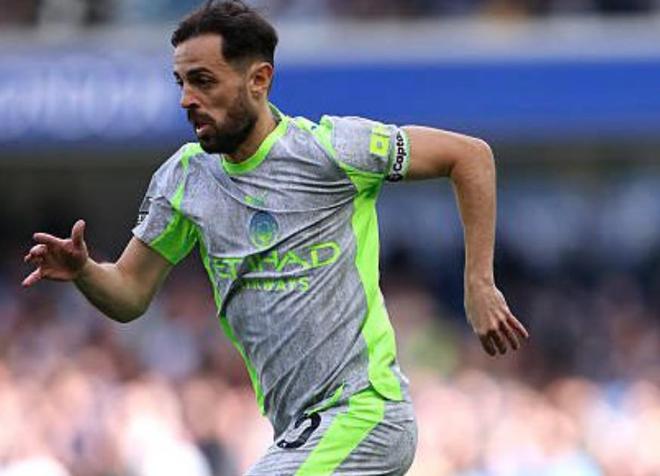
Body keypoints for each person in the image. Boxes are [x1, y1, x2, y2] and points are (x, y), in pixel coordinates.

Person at [22, 1, 529, 474]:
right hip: (296, 430)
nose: (187, 99)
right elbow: (130, 293)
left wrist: (479, 282)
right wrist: (85, 271)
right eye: (181, 82)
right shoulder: (184, 180)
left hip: (364, 412)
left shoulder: (330, 151)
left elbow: (470, 156)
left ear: (259, 80)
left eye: (203, 81)